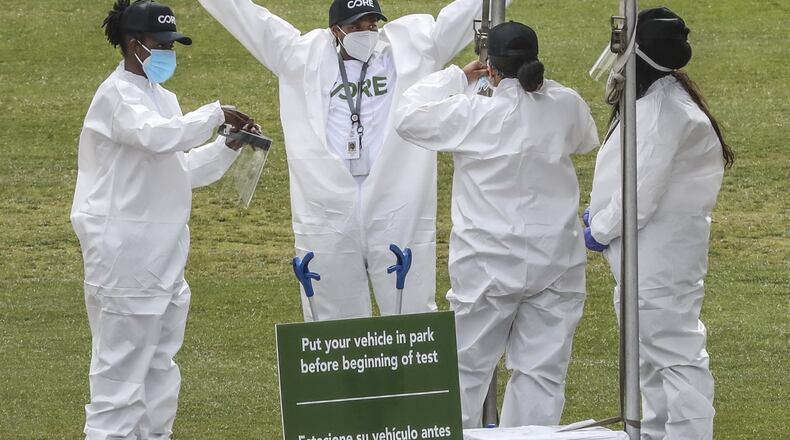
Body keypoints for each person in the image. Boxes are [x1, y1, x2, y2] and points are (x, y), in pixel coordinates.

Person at [198, 0, 513, 321]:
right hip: (327, 208)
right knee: (333, 322)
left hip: (396, 201)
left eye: (372, 25)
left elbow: (463, 14)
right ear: (335, 30)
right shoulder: (300, 56)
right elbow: (247, 17)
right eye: (355, 26)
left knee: (411, 314)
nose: (366, 32)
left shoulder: (411, 47)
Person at [395, 22, 599, 428]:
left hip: (486, 266)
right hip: (555, 261)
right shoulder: (565, 104)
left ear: (490, 69)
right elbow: (585, 138)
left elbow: (406, 116)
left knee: (462, 375)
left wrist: (456, 78)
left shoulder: (472, 112)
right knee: (541, 377)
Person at [71, 1, 258, 438]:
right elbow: (155, 136)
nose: (168, 53)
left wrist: (225, 147)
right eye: (161, 44)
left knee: (160, 369)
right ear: (133, 44)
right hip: (124, 261)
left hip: (166, 259)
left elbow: (178, 170)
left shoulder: (164, 98)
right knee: (118, 383)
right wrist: (214, 114)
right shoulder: (115, 97)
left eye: (172, 45)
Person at [585, 7, 734, 440]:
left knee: (675, 357)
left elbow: (640, 194)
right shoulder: (663, 98)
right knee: (650, 358)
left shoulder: (663, 111)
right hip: (652, 258)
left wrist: (599, 229)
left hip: (656, 261)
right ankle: (653, 433)